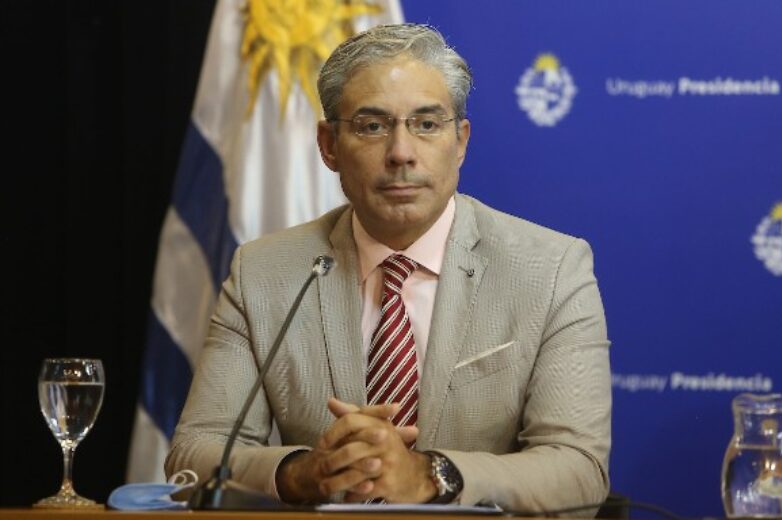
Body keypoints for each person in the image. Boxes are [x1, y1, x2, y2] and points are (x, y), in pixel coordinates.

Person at [166, 23, 611, 513]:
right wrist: (303, 473)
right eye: (372, 126)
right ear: (329, 146)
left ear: (460, 142)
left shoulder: (551, 270)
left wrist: (428, 476)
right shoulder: (264, 272)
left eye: (427, 124)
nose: (401, 153)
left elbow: (579, 468)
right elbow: (193, 456)